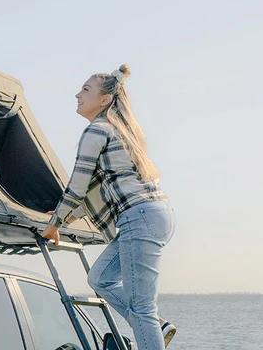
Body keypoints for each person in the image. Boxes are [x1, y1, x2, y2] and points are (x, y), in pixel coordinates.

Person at [41, 64, 177, 349]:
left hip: (139, 217)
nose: (77, 95)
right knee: (100, 278)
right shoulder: (121, 132)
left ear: (104, 100)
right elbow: (98, 193)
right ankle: (158, 325)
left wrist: (55, 225)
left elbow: (77, 187)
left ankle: (152, 324)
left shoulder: (97, 130)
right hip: (154, 215)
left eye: (85, 89)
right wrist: (64, 217)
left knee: (141, 308)